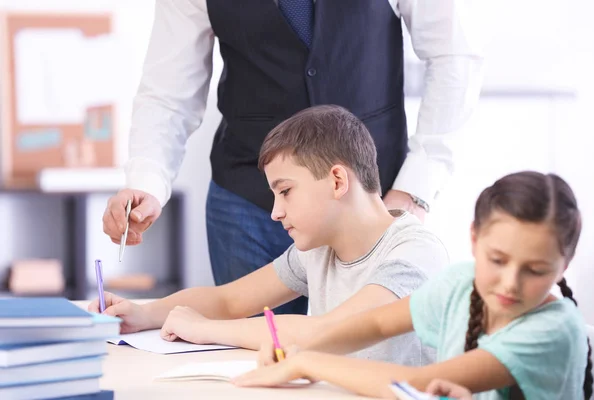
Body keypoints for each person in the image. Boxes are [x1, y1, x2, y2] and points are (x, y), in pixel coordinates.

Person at [100, 0, 484, 315]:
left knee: (360, 353)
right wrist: (147, 181)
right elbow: (167, 91)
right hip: (248, 198)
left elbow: (454, 57)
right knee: (254, 364)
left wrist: (415, 188)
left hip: (371, 200)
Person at [90, 105, 448, 367]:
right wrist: (144, 313)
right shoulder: (320, 250)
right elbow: (230, 301)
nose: (275, 212)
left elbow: (328, 330)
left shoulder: (414, 252)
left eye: (286, 191)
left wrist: (206, 329)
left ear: (338, 181)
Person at [233, 171, 594, 400]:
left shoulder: (554, 329)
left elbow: (420, 383)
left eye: (535, 270)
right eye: (497, 260)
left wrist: (307, 363)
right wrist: (297, 352)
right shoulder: (461, 284)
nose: (511, 283)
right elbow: (377, 323)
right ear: (473, 238)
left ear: (565, 265)